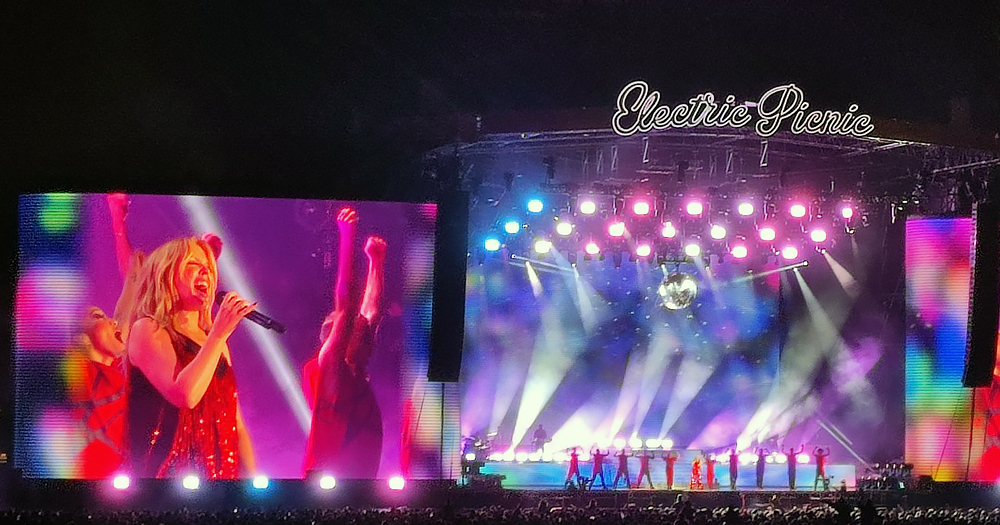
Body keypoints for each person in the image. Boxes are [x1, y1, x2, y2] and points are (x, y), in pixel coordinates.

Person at [127, 236, 256, 479]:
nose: (205, 271)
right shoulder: (147, 329)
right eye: (194, 264)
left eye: (208, 267)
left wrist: (251, 481)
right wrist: (218, 335)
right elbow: (185, 395)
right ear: (166, 273)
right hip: (168, 479)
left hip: (222, 477)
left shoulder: (214, 340)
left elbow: (235, 422)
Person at [303, 207, 388, 479]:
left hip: (359, 478)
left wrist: (376, 261)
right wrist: (347, 236)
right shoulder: (330, 366)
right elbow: (348, 304)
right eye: (361, 332)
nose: (370, 334)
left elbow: (371, 312)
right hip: (328, 480)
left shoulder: (355, 366)